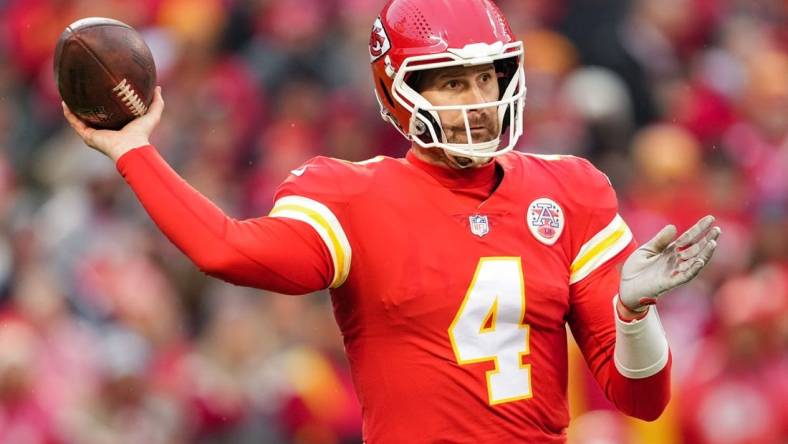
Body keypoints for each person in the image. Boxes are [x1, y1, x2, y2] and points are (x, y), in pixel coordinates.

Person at [62, 0, 720, 442]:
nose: (479, 100)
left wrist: (635, 318)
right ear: (393, 90)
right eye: (452, 82)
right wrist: (133, 151)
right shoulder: (352, 196)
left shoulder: (572, 190)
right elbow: (225, 251)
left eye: (488, 78)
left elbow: (643, 402)